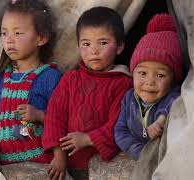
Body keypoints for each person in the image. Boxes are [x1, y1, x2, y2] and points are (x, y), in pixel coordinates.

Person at [42, 7, 132, 180]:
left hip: (104, 168)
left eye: (103, 43)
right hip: (66, 164)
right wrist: (59, 155)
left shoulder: (123, 83)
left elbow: (119, 124)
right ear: (78, 46)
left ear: (119, 47)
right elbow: (55, 115)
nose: (94, 50)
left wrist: (88, 139)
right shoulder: (70, 79)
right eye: (86, 44)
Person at [0, 0, 62, 165]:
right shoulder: (2, 78)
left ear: (41, 38)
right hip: (4, 165)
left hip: (40, 162)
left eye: (18, 33)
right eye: (4, 33)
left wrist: (39, 115)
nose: (9, 40)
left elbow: (62, 119)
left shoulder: (50, 77)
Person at [114, 14, 184, 160]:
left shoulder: (173, 97)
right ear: (132, 73)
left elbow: (173, 105)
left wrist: (160, 121)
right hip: (140, 154)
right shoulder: (129, 99)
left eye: (160, 75)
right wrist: (138, 151)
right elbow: (120, 131)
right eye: (142, 73)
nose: (150, 81)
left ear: (173, 80)